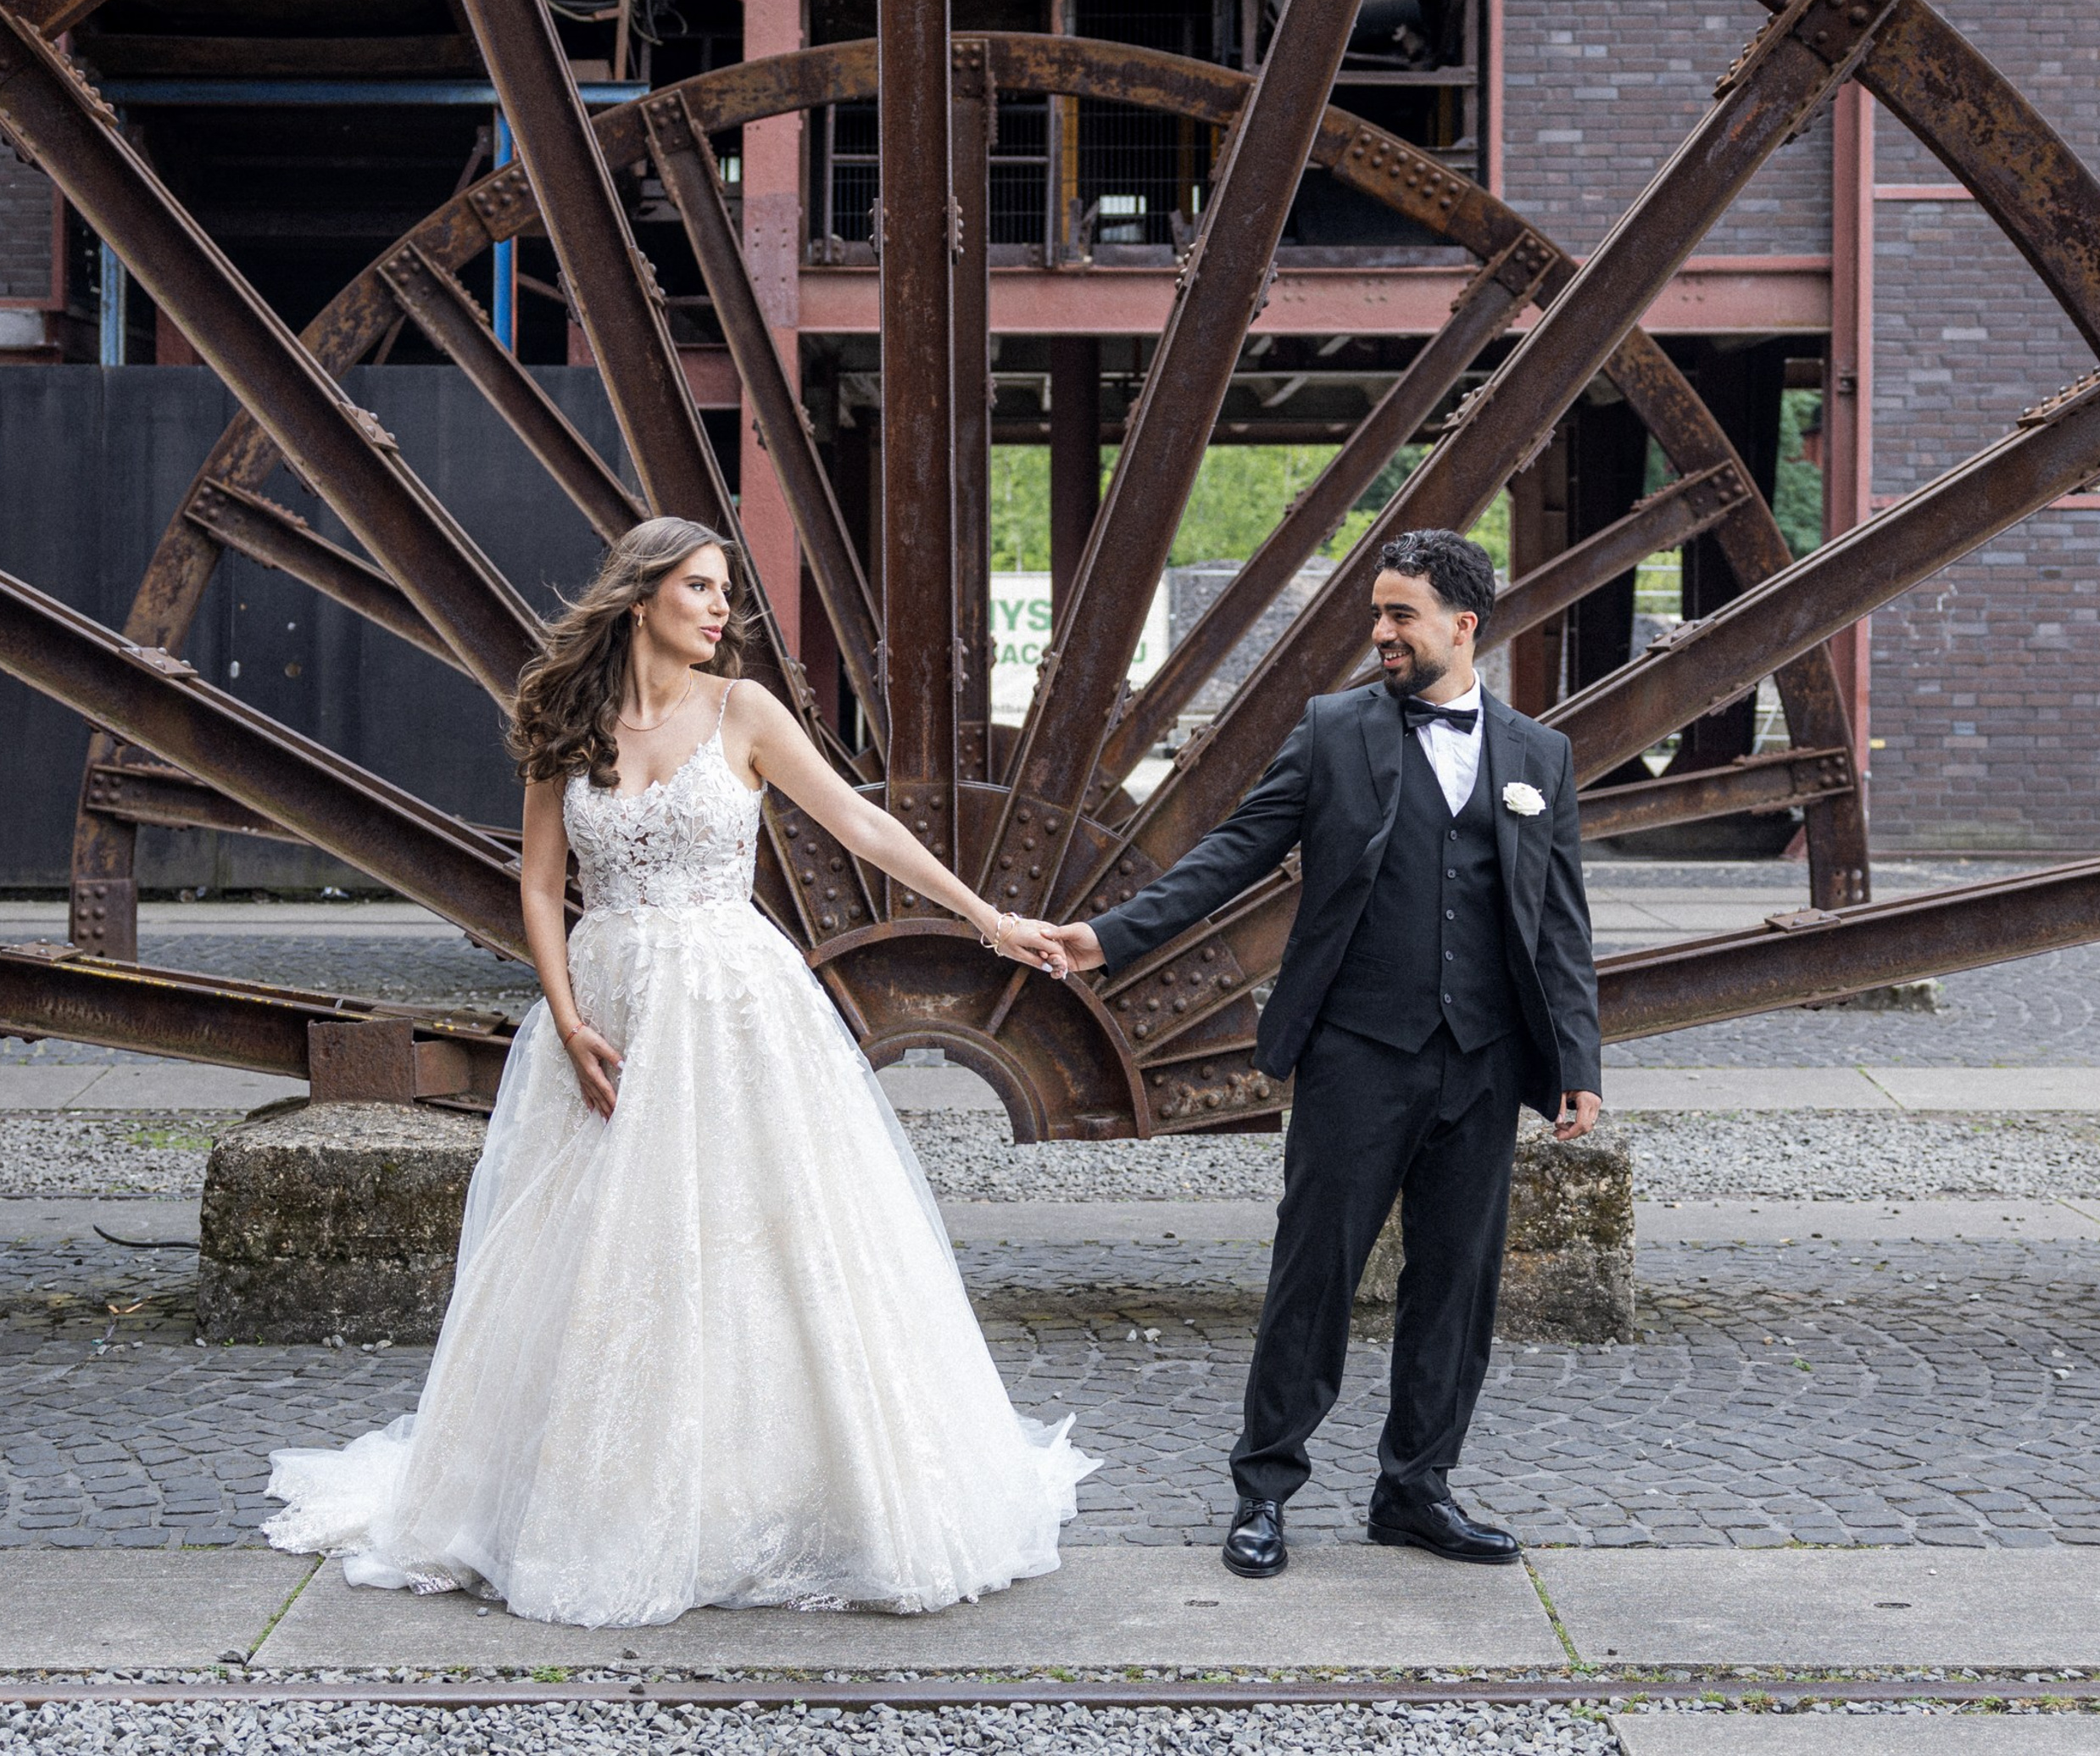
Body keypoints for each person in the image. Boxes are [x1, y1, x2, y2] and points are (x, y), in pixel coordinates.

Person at [263, 516, 1095, 1627]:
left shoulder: (741, 711)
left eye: (723, 592)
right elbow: (537, 884)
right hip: (611, 1009)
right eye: (700, 588)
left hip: (736, 1007)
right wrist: (563, 1019)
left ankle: (780, 1498)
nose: (720, 609)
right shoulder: (570, 722)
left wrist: (989, 919)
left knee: (765, 1243)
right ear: (642, 594)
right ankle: (584, 1496)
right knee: (599, 1256)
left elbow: (855, 823)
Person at [1050, 527, 1601, 1580]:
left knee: (1457, 1285)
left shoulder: (1540, 755)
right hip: (1358, 1050)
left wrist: (1576, 1057)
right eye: (1378, 614)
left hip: (1483, 1061)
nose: (1382, 633)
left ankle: (1415, 1490)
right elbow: (1232, 853)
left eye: (1400, 614)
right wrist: (1108, 935)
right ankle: (1263, 1492)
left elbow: (1560, 921)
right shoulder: (1333, 730)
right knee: (1314, 1276)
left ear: (1461, 624)